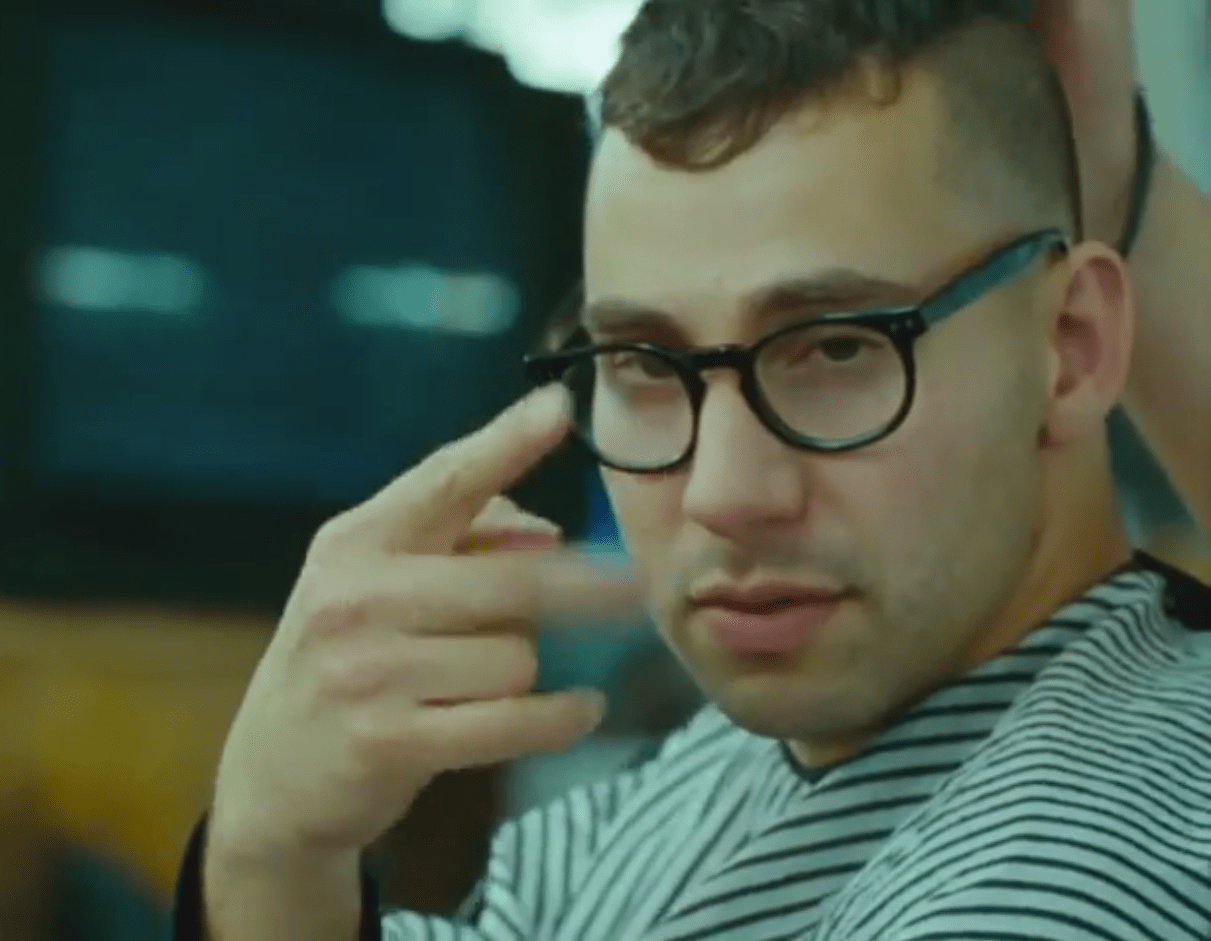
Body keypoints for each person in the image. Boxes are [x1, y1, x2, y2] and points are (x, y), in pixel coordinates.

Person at [176, 1, 1211, 939]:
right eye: (642, 362)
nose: (723, 494)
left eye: (836, 348)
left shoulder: (1072, 879)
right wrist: (270, 857)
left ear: (1069, 345)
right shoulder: (683, 802)